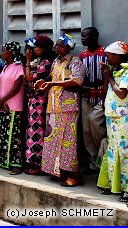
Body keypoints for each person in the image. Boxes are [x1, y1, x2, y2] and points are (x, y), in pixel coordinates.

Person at [38, 33, 86, 187]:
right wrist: (44, 82)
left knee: (67, 142)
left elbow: (77, 80)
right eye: (56, 44)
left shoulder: (74, 61)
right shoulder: (56, 61)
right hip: (53, 107)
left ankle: (75, 175)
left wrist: (53, 84)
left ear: (67, 47)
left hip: (67, 108)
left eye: (60, 45)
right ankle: (59, 171)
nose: (56, 47)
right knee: (53, 140)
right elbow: (53, 79)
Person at [97, 41, 128, 201]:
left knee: (125, 152)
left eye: (110, 55)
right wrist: (106, 77)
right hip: (113, 116)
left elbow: (122, 94)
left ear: (119, 56)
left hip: (125, 118)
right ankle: (114, 185)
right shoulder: (115, 71)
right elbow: (104, 91)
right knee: (113, 150)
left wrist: (110, 77)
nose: (107, 57)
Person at [23, 35, 54, 176]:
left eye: (36, 47)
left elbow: (29, 78)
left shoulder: (45, 63)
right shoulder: (40, 61)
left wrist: (28, 60)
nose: (33, 50)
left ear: (43, 49)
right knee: (32, 129)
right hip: (34, 98)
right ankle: (33, 161)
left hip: (40, 100)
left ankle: (39, 163)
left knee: (37, 130)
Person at [78, 27, 107, 174]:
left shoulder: (106, 54)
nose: (82, 39)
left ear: (95, 36)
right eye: (82, 36)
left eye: (85, 36)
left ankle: (102, 157)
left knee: (96, 123)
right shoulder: (82, 56)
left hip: (102, 97)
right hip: (87, 96)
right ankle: (93, 160)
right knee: (86, 129)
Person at [0, 42, 26, 174]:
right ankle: (3, 161)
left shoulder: (18, 67)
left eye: (4, 50)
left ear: (11, 52)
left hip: (13, 106)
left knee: (14, 136)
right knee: (3, 134)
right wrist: (1, 101)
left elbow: (16, 88)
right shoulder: (5, 67)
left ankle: (16, 164)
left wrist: (2, 100)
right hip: (3, 105)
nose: (2, 52)